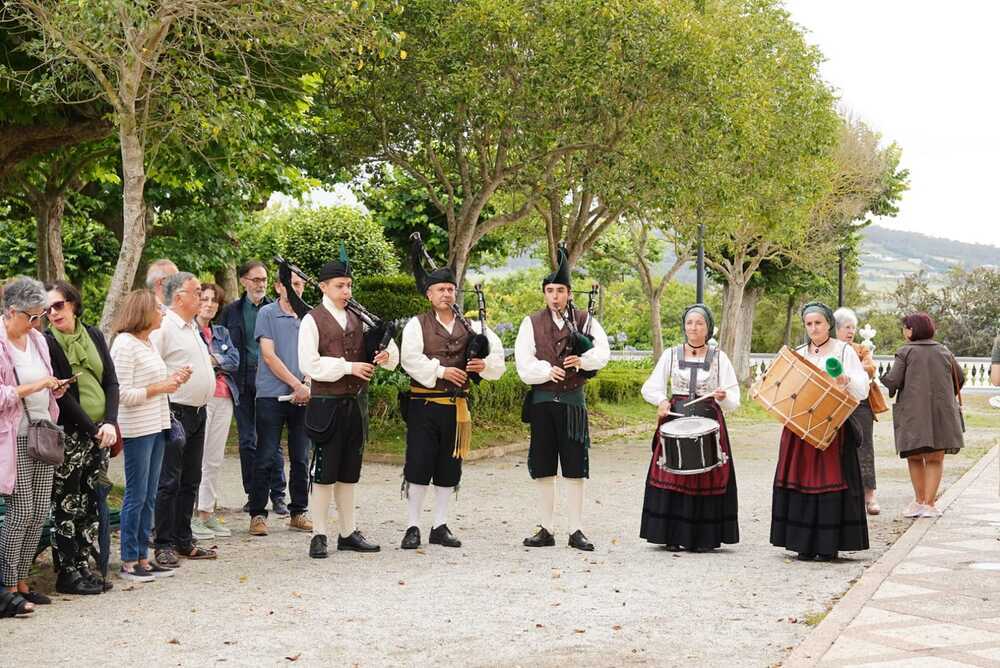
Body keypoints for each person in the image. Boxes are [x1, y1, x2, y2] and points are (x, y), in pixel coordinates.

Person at [399, 238, 505, 550]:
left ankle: (440, 524)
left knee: (449, 466)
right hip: (424, 404)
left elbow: (497, 360)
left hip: (457, 408)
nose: (446, 294)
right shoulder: (417, 325)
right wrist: (442, 371)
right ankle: (412, 526)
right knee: (418, 465)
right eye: (440, 290)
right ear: (429, 295)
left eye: (450, 289)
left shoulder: (472, 326)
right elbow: (409, 359)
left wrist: (483, 364)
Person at [297, 250, 400, 558]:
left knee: (349, 472)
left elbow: (392, 355)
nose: (346, 291)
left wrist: (385, 356)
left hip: (354, 405)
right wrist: (348, 367)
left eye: (349, 285)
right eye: (340, 285)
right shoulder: (312, 320)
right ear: (324, 287)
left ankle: (347, 532)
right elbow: (308, 365)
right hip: (326, 404)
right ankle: (319, 534)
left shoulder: (360, 318)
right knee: (324, 472)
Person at [514, 247, 610, 552]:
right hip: (542, 403)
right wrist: (545, 370)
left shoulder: (585, 321)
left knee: (575, 466)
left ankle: (576, 529)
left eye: (560, 290)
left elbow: (602, 354)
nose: (555, 296)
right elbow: (523, 363)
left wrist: (581, 362)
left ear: (569, 293)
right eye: (550, 290)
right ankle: (546, 528)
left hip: (572, 405)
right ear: (544, 293)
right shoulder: (531, 323)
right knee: (543, 466)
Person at [770, 302, 870, 562]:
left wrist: (846, 381)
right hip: (799, 428)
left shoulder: (843, 351)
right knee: (801, 480)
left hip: (831, 426)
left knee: (828, 481)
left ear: (828, 324)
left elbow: (863, 389)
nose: (813, 328)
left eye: (818, 323)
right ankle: (802, 542)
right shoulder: (798, 354)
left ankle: (828, 545)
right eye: (809, 324)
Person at [639, 304, 740, 551]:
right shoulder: (671, 354)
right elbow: (650, 387)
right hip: (676, 419)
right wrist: (662, 401)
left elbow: (734, 400)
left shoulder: (720, 357)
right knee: (672, 472)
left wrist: (721, 396)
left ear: (708, 328)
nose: (693, 328)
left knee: (709, 474)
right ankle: (672, 535)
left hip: (710, 422)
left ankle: (704, 537)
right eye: (689, 323)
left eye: (700, 323)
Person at [43, 281, 120, 595]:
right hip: (71, 433)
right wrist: (92, 428)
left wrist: (111, 423)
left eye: (58, 305)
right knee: (67, 502)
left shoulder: (95, 335)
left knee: (89, 501)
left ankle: (84, 564)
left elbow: (111, 382)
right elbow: (60, 395)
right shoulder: (47, 342)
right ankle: (67, 571)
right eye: (47, 309)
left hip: (101, 431)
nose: (53, 313)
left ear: (73, 303)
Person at [111, 290, 189, 582]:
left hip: (157, 426)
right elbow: (121, 393)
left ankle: (144, 554)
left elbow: (154, 383)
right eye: (158, 308)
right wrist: (160, 387)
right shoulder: (124, 345)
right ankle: (129, 560)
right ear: (144, 312)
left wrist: (173, 380)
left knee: (150, 496)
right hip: (137, 429)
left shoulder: (148, 343)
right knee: (136, 494)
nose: (163, 313)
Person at [0, 277, 64, 609]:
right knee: (21, 510)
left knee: (39, 511)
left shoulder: (37, 339)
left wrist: (53, 387)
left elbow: (44, 382)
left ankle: (22, 581)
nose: (36, 322)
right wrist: (32, 387)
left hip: (44, 431)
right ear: (12, 311)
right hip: (15, 437)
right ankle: (7, 585)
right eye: (32, 316)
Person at [151, 272, 218, 567]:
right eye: (196, 292)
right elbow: (152, 368)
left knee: (191, 477)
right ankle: (163, 541)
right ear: (179, 296)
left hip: (199, 411)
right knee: (169, 479)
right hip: (174, 410)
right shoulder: (165, 326)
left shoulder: (191, 327)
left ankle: (183, 537)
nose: (201, 297)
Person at [246, 272, 313, 537]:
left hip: (304, 396)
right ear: (278, 287)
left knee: (301, 456)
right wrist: (295, 384)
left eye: (301, 284)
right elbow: (269, 356)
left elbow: (315, 354)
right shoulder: (267, 314)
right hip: (271, 396)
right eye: (293, 284)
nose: (298, 289)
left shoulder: (310, 317)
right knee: (265, 455)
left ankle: (298, 512)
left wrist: (306, 383)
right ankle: (258, 514)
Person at [880, 313, 965, 518]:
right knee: (936, 458)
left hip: (913, 415)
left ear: (910, 330)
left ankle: (919, 502)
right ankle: (929, 504)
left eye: (905, 328)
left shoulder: (905, 351)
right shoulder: (944, 351)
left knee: (915, 457)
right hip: (941, 414)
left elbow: (894, 380)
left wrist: (879, 376)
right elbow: (960, 378)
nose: (904, 331)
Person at [219, 261, 286, 515]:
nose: (260, 284)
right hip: (241, 381)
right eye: (256, 279)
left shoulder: (275, 309)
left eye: (264, 280)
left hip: (271, 379)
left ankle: (278, 494)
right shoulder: (231, 312)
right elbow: (221, 344)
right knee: (248, 441)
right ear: (244, 281)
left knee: (272, 441)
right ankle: (252, 494)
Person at [191, 284, 239, 540]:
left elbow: (234, 360)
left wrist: (213, 360)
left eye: (214, 301)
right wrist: (215, 360)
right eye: (204, 299)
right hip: (201, 398)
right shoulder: (189, 331)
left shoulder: (221, 332)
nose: (209, 304)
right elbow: (193, 363)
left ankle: (206, 513)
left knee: (214, 458)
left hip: (224, 397)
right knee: (196, 457)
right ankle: (190, 514)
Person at [834, 307, 881, 516]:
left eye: (853, 327)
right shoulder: (831, 348)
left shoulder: (860, 348)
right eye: (846, 327)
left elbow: (870, 368)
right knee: (836, 448)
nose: (851, 331)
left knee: (865, 447)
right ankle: (842, 495)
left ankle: (870, 495)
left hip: (860, 403)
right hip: (835, 401)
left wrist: (851, 369)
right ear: (836, 329)